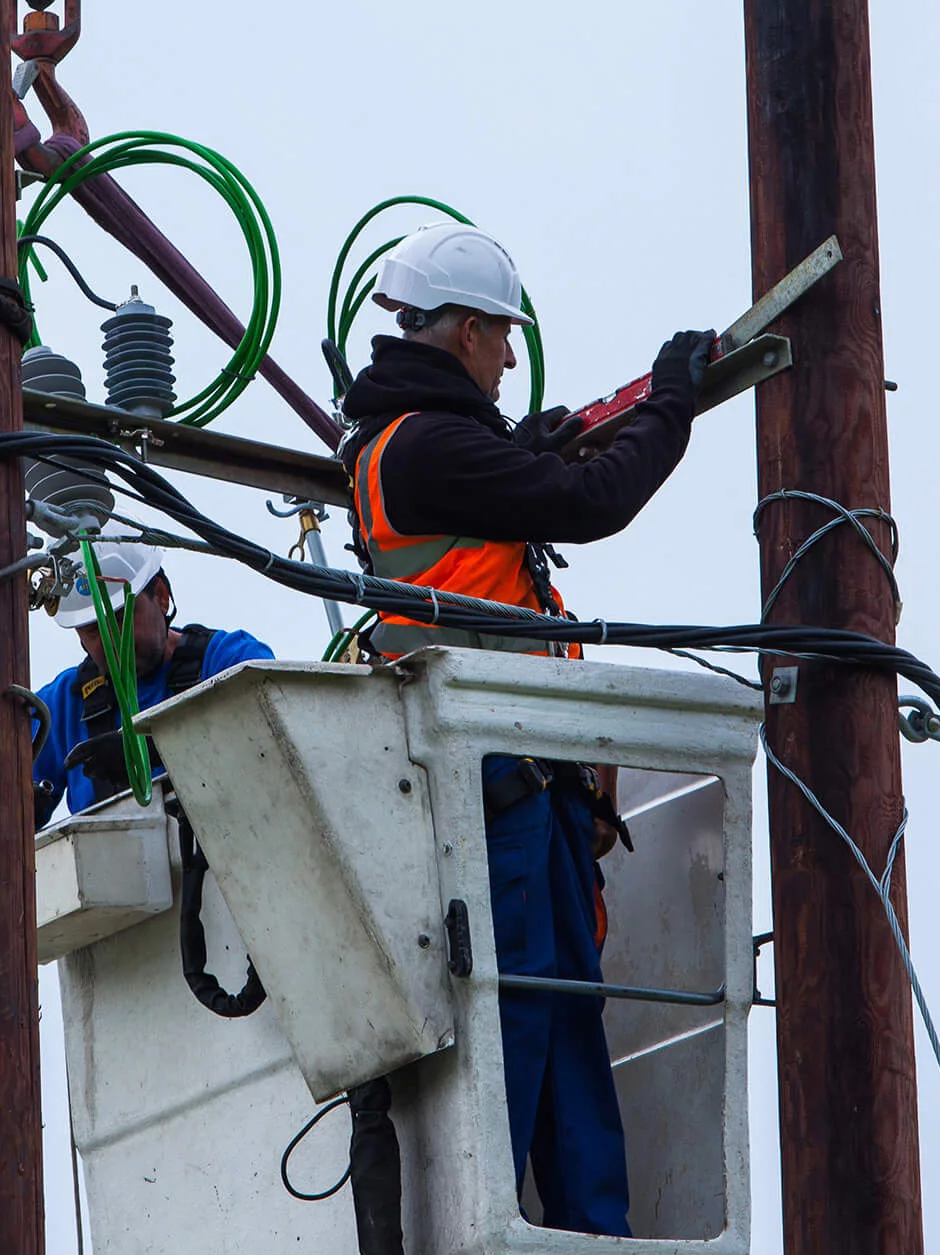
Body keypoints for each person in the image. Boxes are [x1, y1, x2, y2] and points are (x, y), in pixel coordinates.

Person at [336, 222, 713, 1236]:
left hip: (521, 789)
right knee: (520, 1027)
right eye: (500, 334)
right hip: (494, 790)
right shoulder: (425, 446)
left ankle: (593, 1235)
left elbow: (500, 507)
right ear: (460, 332)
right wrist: (670, 406)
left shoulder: (412, 446)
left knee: (562, 1024)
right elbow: (592, 501)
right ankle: (495, 1232)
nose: (509, 355)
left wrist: (525, 451)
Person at [30, 545, 275, 824]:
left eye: (120, 618)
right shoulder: (62, 704)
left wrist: (154, 749)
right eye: (92, 630)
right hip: (116, 864)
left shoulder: (228, 660)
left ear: (160, 596)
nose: (111, 641)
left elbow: (270, 739)